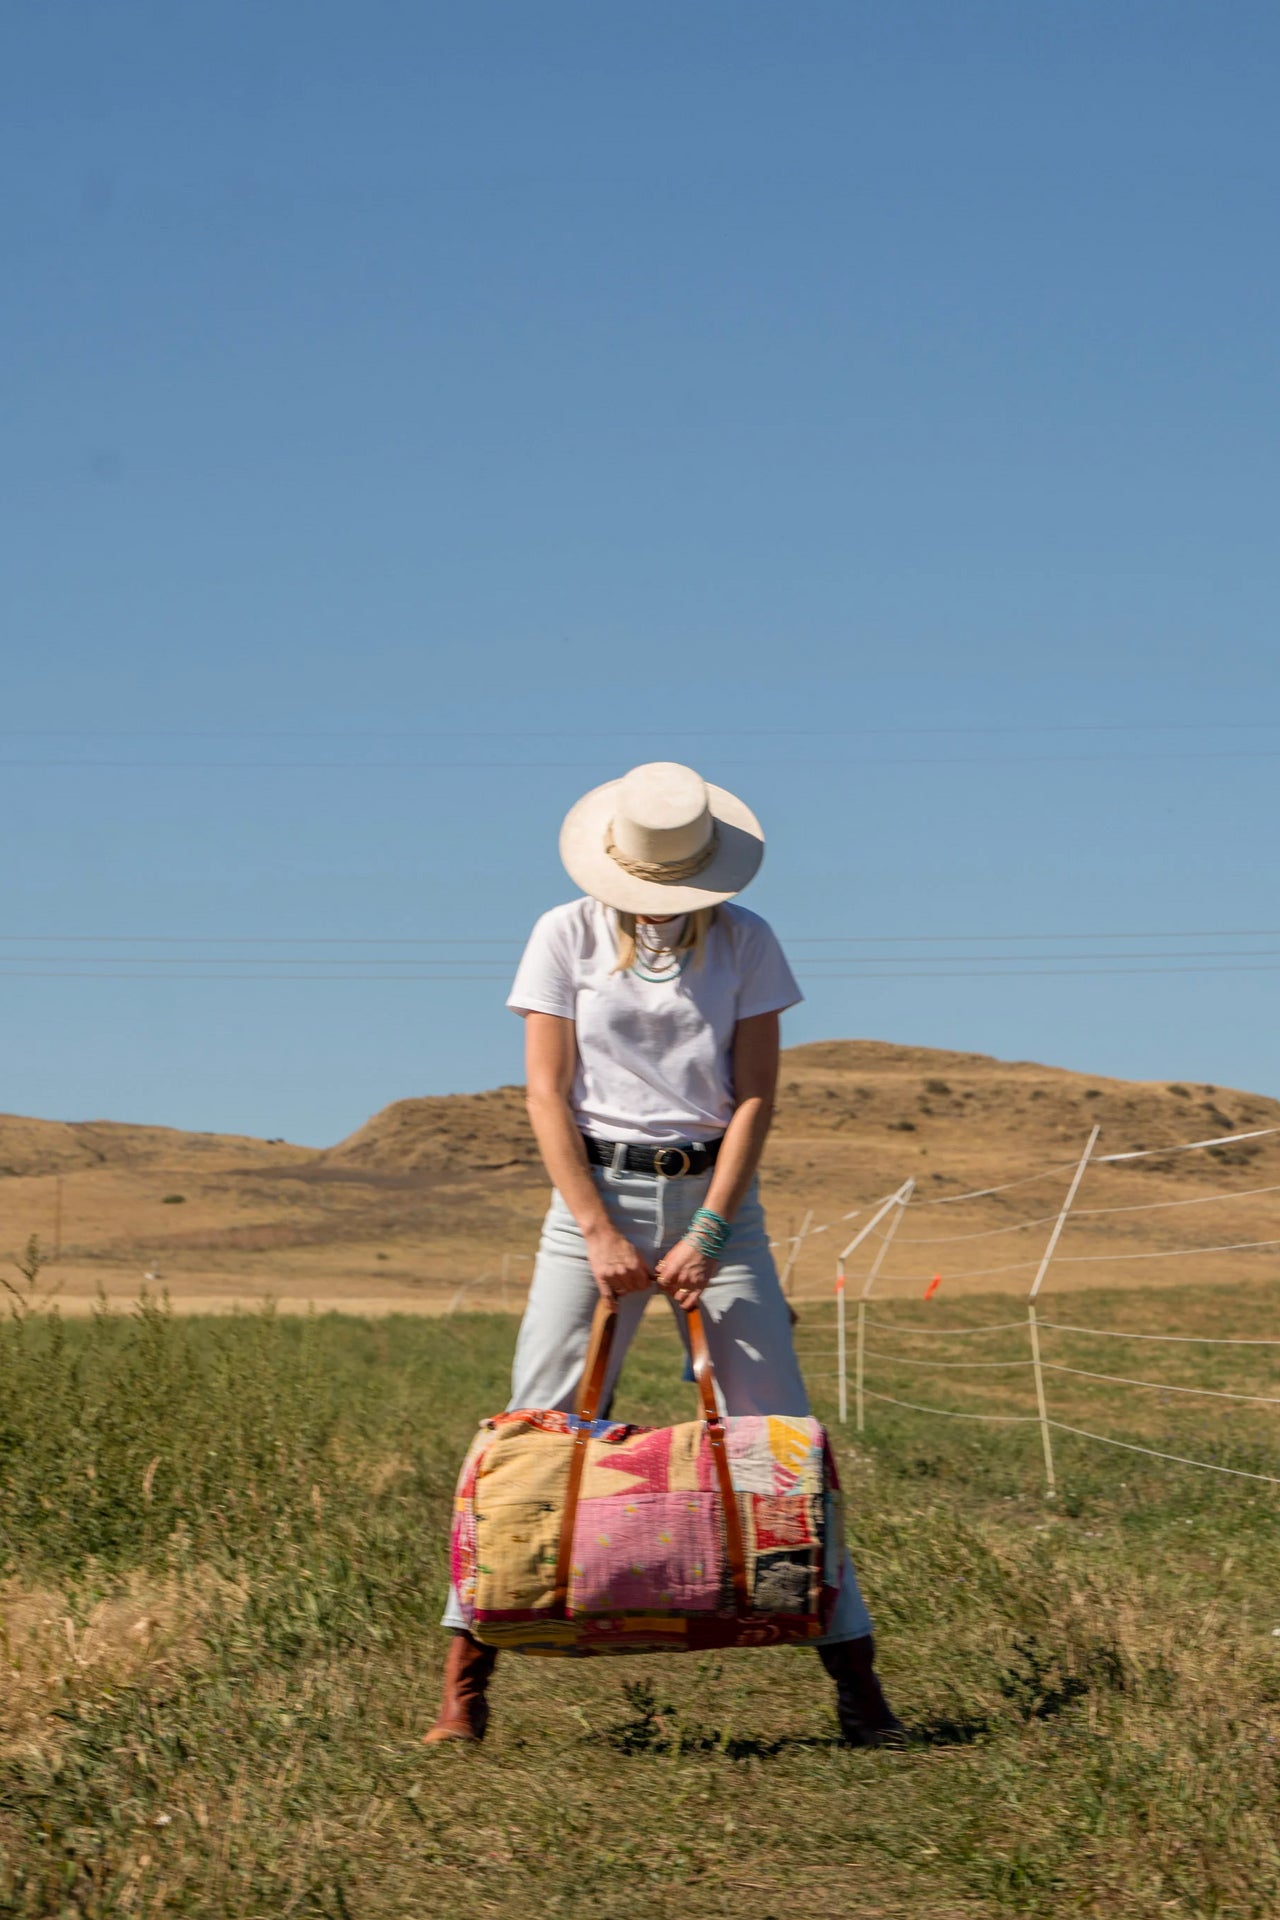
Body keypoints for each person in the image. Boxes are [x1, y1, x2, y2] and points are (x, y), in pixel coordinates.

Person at [425, 761, 903, 1748]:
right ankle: (463, 1697)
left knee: (779, 1438)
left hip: (715, 1206)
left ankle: (858, 1695)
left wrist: (710, 1231)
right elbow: (545, 1094)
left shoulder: (745, 942)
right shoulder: (559, 933)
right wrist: (597, 1228)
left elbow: (755, 1094)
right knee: (533, 1430)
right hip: (587, 1201)